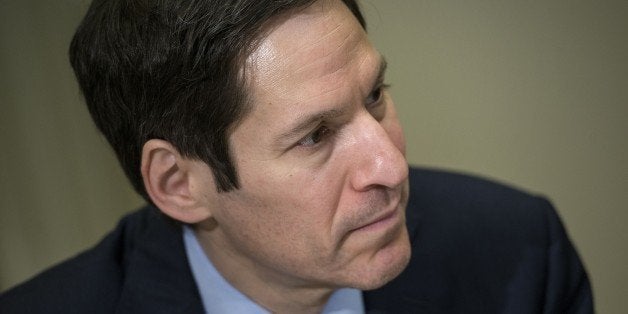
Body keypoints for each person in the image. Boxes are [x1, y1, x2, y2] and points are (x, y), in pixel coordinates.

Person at [0, 0, 593, 313]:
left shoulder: (519, 254)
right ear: (180, 183)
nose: (390, 167)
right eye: (314, 136)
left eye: (375, 97)